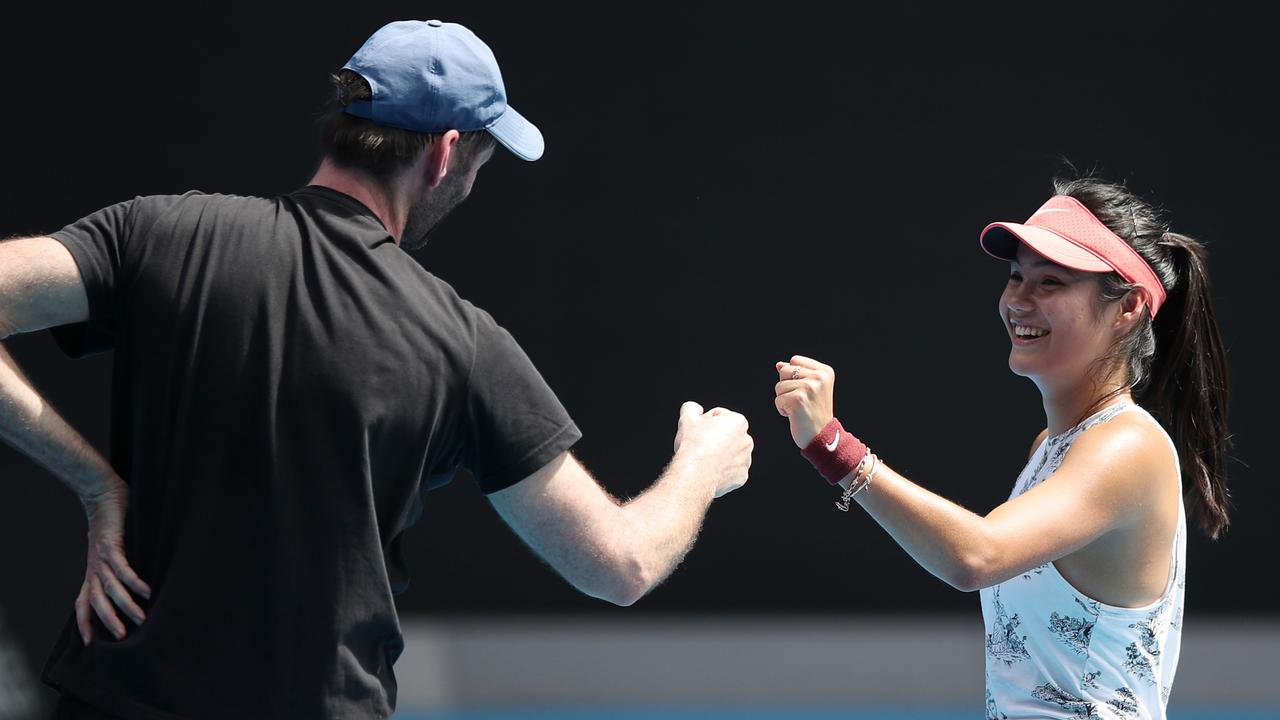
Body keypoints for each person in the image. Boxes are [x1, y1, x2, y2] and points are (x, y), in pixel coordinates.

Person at [0, 20, 754, 720]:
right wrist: (702, 464)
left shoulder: (160, 233)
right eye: (482, 162)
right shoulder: (460, 342)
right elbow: (618, 564)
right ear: (446, 154)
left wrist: (97, 484)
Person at [773, 175, 1229, 719]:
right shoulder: (1055, 446)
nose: (1018, 299)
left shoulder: (1128, 446)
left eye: (1051, 282)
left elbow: (977, 556)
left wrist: (834, 448)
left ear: (1128, 307)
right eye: (1016, 277)